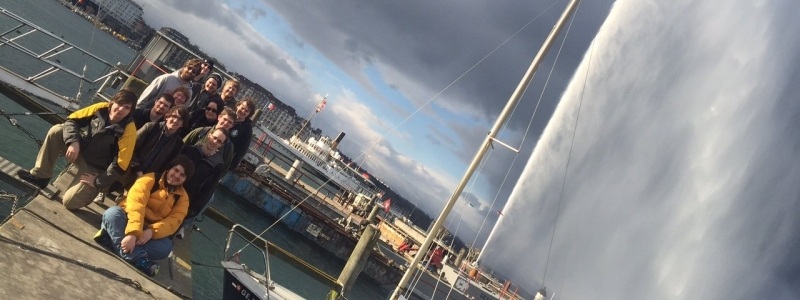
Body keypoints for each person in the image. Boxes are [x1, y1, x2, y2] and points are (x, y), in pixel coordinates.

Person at [17, 90, 137, 210]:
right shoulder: (100, 108)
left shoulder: (128, 131)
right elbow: (72, 120)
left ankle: (94, 191)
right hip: (79, 152)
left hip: (95, 169)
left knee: (70, 203)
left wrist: (98, 181)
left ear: (130, 111)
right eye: (119, 103)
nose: (121, 109)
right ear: (112, 102)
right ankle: (41, 176)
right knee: (57, 130)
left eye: (126, 107)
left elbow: (121, 165)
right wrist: (73, 142)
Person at [93, 155, 194, 276]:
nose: (177, 176)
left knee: (165, 247)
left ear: (185, 179)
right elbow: (136, 205)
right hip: (129, 221)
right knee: (112, 213)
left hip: (148, 233)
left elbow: (173, 222)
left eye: (182, 175)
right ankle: (138, 259)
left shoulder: (183, 199)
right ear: (169, 168)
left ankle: (110, 239)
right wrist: (133, 234)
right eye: (176, 170)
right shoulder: (149, 179)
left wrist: (152, 231)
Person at [177, 127, 229, 238]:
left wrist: (193, 211)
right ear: (209, 135)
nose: (215, 142)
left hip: (188, 201)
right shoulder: (190, 150)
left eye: (219, 141)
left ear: (221, 146)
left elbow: (208, 190)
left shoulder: (218, 166)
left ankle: (182, 227)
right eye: (214, 138)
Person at [136, 58, 201, 109]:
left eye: (194, 71)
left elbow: (181, 110)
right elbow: (145, 96)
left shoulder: (189, 92)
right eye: (189, 68)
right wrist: (137, 110)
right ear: (184, 67)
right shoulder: (166, 78)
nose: (190, 71)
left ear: (196, 75)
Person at [228, 98, 255, 171]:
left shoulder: (247, 129)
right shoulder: (227, 116)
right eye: (242, 108)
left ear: (249, 114)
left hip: (224, 158)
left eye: (246, 111)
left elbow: (242, 150)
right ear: (238, 106)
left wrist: (231, 166)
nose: (243, 111)